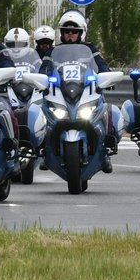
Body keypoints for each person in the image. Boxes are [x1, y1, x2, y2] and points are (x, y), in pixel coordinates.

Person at [54, 9, 119, 166]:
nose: (70, 35)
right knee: (44, 114)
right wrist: (42, 80)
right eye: (66, 31)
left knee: (106, 110)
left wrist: (107, 76)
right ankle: (45, 150)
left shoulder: (90, 49)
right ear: (61, 33)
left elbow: (102, 66)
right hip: (61, 93)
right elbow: (44, 69)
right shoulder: (54, 51)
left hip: (86, 91)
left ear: (81, 33)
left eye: (74, 32)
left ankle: (106, 151)